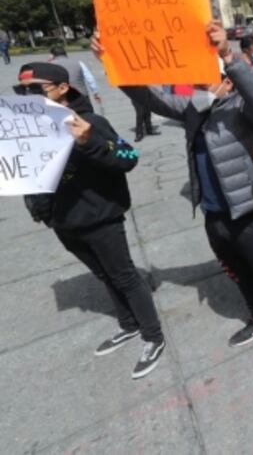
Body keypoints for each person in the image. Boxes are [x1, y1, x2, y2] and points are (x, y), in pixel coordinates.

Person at [94, 23, 253, 376]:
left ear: (226, 80)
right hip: (214, 211)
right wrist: (113, 63)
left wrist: (228, 55)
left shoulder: (244, 105)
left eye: (202, 76)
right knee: (238, 272)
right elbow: (150, 96)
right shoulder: (193, 106)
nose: (192, 83)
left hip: (249, 210)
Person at [15, 62, 166, 379]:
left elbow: (129, 158)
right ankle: (128, 324)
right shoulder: (29, 128)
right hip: (63, 223)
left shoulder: (91, 122)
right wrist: (39, 209)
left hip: (100, 219)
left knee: (124, 276)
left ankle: (153, 336)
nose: (28, 96)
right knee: (103, 275)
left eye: (36, 89)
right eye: (22, 90)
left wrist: (89, 142)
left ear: (62, 88)